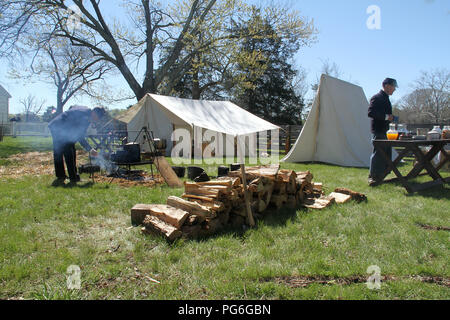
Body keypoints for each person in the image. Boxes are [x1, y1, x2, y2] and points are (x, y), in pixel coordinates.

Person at [48, 106, 106, 185]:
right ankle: (69, 177)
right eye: (98, 118)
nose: (96, 120)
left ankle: (71, 176)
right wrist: (90, 149)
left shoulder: (87, 115)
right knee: (64, 151)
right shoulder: (83, 115)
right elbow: (80, 136)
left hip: (64, 128)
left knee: (69, 149)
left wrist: (90, 149)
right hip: (58, 127)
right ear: (94, 113)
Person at [367, 78, 398, 186]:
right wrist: (386, 117)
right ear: (386, 86)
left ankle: (380, 176)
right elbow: (371, 113)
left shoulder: (386, 98)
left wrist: (391, 118)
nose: (394, 89)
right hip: (379, 130)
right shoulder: (377, 97)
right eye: (393, 87)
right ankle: (373, 177)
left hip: (386, 130)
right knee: (378, 153)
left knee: (386, 154)